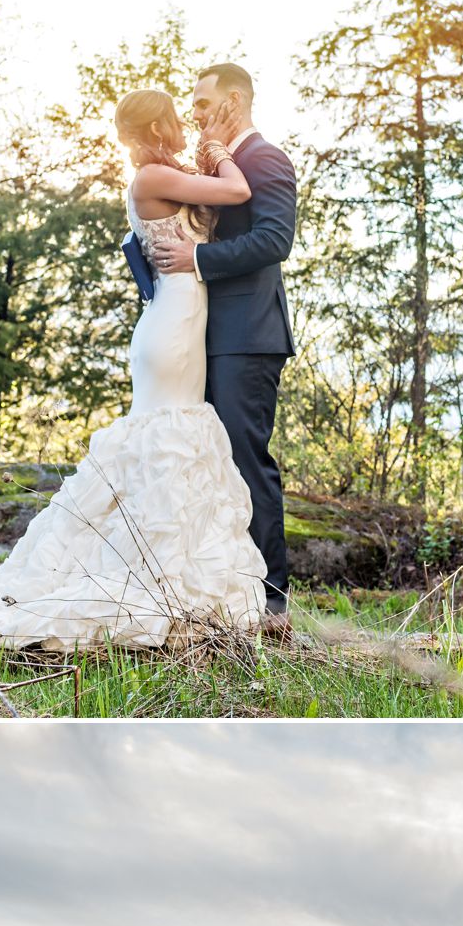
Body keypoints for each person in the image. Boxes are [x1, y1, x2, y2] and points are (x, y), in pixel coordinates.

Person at [0, 86, 268, 650]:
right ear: (152, 131)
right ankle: (150, 574)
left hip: (186, 320)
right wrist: (219, 150)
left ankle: (173, 569)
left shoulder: (167, 173)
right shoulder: (149, 179)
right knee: (166, 437)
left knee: (173, 441)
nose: (181, 125)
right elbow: (238, 189)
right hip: (171, 325)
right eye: (173, 118)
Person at [132, 65, 296, 633]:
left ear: (233, 100)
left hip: (247, 335)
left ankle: (272, 603)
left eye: (202, 104)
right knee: (206, 465)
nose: (195, 113)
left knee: (247, 463)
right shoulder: (211, 163)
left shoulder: (265, 158)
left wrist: (198, 260)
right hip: (202, 336)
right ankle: (218, 590)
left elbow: (275, 240)